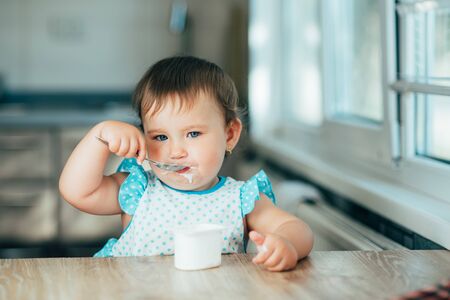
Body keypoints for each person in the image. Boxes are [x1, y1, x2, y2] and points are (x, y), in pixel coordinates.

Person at [59, 56, 313, 271]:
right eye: (160, 137)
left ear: (230, 135)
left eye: (193, 134)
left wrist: (286, 244)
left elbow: (293, 227)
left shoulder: (242, 198)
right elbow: (77, 191)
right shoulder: (138, 189)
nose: (176, 152)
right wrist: (98, 137)